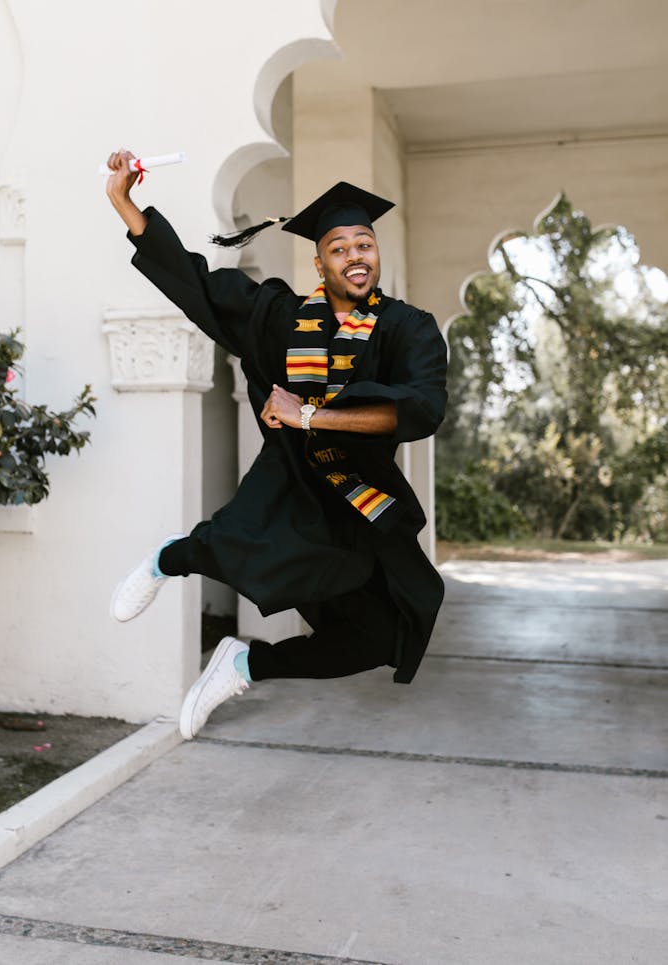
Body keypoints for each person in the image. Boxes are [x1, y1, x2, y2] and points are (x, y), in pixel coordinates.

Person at [105, 149, 448, 740]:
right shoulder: (280, 317)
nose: (355, 257)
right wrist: (123, 203)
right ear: (321, 263)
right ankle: (169, 558)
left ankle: (243, 663)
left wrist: (310, 414)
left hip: (360, 494)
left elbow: (419, 408)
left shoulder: (407, 327)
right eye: (339, 248)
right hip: (289, 475)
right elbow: (200, 288)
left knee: (381, 637)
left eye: (363, 244)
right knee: (236, 545)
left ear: (376, 251)